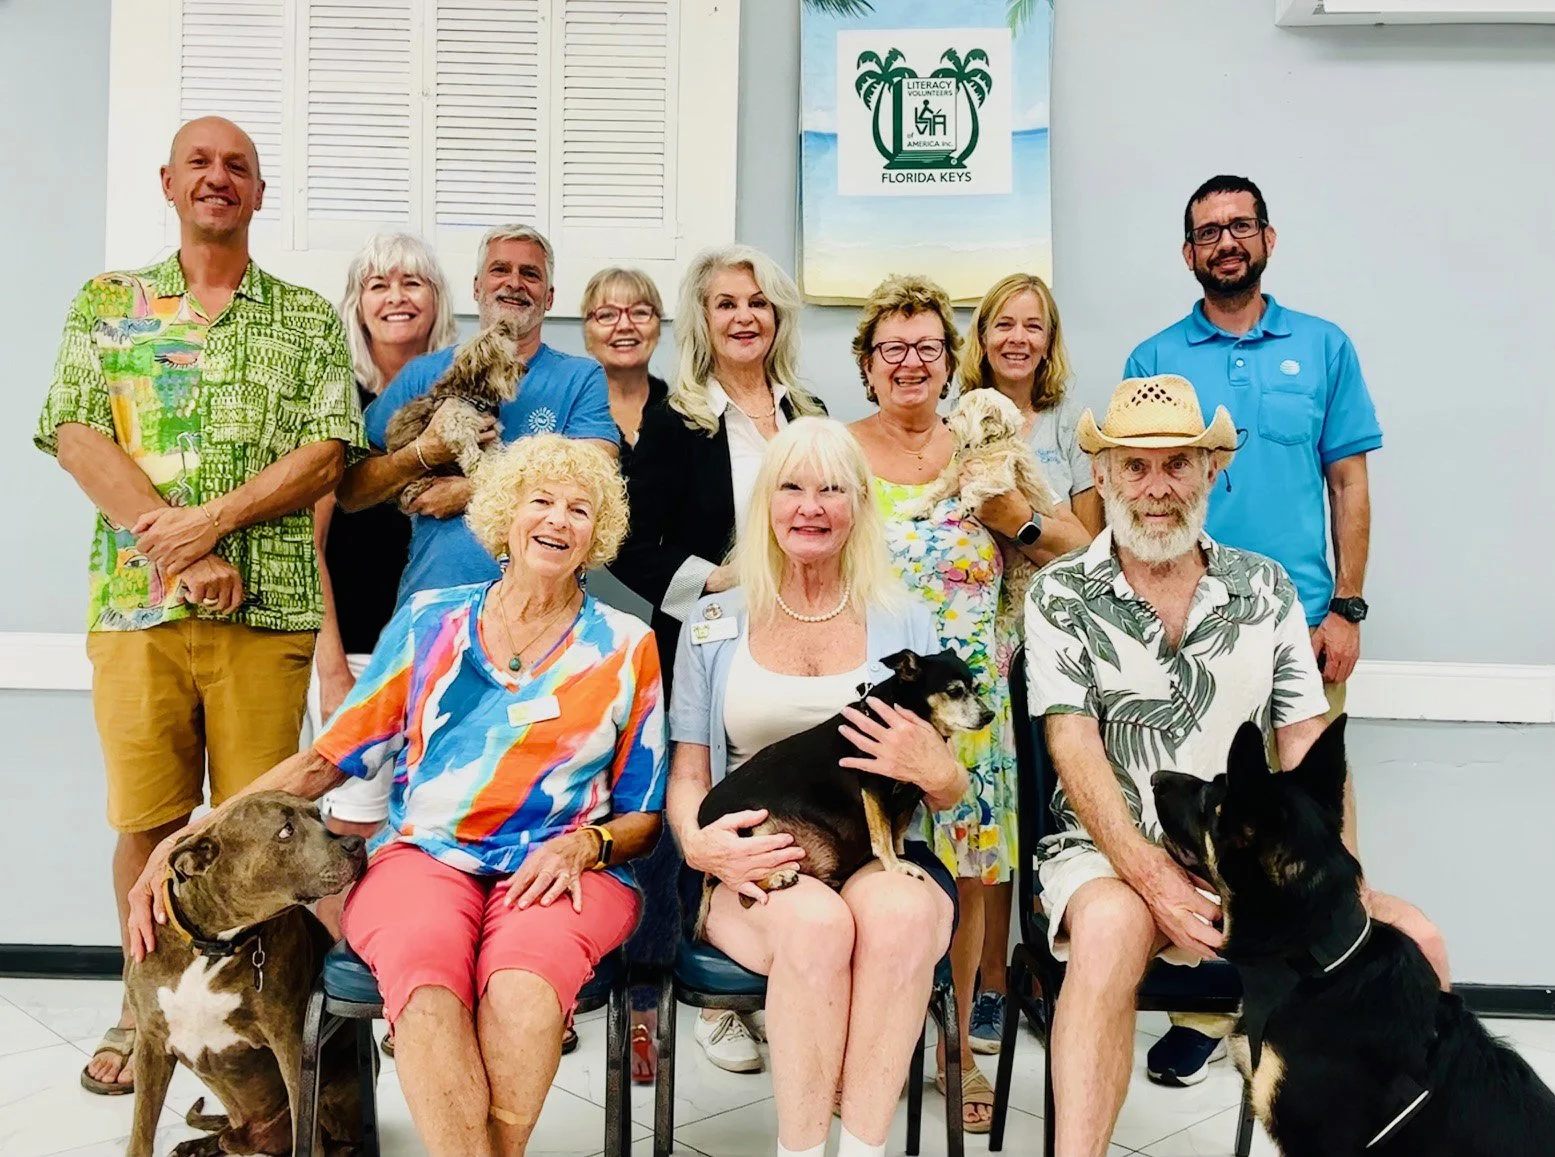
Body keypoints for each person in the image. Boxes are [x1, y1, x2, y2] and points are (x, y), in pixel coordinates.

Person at [127, 434, 666, 1157]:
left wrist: (588, 842)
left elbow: (645, 817)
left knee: (521, 986)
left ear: (595, 534)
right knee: (422, 971)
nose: (558, 519)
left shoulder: (625, 643)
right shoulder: (431, 622)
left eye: (579, 509)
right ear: (505, 515)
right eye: (541, 500)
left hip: (562, 862)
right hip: (426, 855)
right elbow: (325, 760)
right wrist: (187, 835)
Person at [1023, 375, 1446, 1157]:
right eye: (1135, 467)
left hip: (1248, 866)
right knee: (1112, 928)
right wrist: (1149, 874)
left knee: (1415, 937)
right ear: (1105, 476)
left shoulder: (1265, 587)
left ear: (1210, 470)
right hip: (1106, 852)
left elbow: (1306, 742)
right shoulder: (1059, 592)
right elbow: (1072, 745)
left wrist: (1343, 880)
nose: (1157, 488)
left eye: (1177, 464)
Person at [34, 116, 365, 1096]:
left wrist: (207, 528)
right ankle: (144, 1005)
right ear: (169, 184)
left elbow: (325, 454)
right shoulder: (108, 302)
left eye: (239, 167)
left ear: (259, 194)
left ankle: (268, 1015)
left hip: (268, 618)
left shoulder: (306, 317)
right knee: (147, 819)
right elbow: (75, 433)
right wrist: (179, 557)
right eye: (201, 164)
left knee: (268, 828)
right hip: (137, 613)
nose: (218, 178)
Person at [1123, 174, 1388, 1083]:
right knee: (1207, 818)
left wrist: (1345, 605)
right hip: (1179, 625)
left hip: (1301, 623)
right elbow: (1133, 488)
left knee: (1310, 814)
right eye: (1207, 231)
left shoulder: (1322, 347)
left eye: (1239, 226)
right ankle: (1207, 1003)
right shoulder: (1154, 355)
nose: (1225, 242)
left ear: (1267, 237)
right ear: (1187, 252)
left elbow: (1348, 482)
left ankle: (1330, 995)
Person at [667, 417, 963, 1157]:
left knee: (897, 918)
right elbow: (688, 775)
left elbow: (951, 785)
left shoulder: (905, 617)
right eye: (792, 487)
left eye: (832, 488)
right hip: (750, 849)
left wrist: (935, 770)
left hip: (874, 847)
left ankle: (862, 1148)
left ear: (858, 504)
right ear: (765, 503)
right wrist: (701, 847)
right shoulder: (712, 620)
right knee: (815, 924)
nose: (811, 506)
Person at [847, 274, 1060, 1133]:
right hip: (875, 702)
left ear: (948, 361)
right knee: (877, 868)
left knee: (973, 882)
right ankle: (876, 1045)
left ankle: (957, 1048)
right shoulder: (835, 447)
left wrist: (1016, 518)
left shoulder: (988, 456)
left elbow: (1076, 550)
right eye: (891, 348)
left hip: (975, 713)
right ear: (866, 365)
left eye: (926, 348)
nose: (909, 363)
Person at [612, 246, 826, 1070]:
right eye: (725, 303)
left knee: (778, 798)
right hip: (705, 642)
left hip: (803, 641)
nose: (743, 316)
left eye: (759, 303)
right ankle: (680, 991)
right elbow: (627, 544)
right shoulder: (677, 416)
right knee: (690, 808)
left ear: (779, 318)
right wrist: (729, 578)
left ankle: (767, 969)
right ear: (703, 320)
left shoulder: (807, 411)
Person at [957, 271, 1099, 1053]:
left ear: (1049, 341)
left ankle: (1034, 978)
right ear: (980, 338)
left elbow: (1084, 546)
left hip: (1047, 649)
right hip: (973, 647)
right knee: (988, 821)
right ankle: (976, 979)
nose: (1016, 336)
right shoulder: (956, 421)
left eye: (1032, 325)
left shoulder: (1068, 431)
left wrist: (1017, 520)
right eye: (1001, 323)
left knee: (1043, 816)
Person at [336, 224, 619, 604]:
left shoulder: (580, 377)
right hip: (435, 602)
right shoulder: (423, 373)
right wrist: (422, 453)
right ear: (476, 288)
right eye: (500, 270)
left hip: (545, 609)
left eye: (530, 274)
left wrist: (472, 489)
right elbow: (352, 490)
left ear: (549, 298)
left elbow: (594, 475)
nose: (514, 283)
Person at [309, 233, 459, 920]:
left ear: (437, 300)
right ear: (357, 304)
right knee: (350, 829)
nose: (396, 296)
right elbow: (307, 542)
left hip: (452, 653)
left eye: (412, 282)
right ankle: (349, 1006)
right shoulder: (336, 400)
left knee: (439, 830)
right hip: (361, 646)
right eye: (378, 284)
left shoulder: (468, 395)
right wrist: (332, 665)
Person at [578, 265, 674, 1082]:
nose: (622, 323)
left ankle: (647, 994)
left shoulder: (689, 411)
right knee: (578, 796)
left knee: (655, 811)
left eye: (638, 310)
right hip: (576, 637)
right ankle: (573, 968)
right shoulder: (568, 402)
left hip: (671, 637)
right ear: (586, 327)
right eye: (605, 312)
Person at [580, 266, 669, 462]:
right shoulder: (570, 413)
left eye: (639, 312)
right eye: (607, 315)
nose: (625, 326)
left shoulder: (684, 414)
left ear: (659, 327)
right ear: (588, 334)